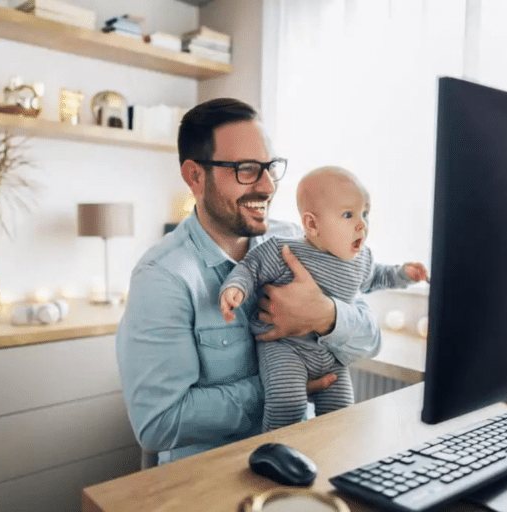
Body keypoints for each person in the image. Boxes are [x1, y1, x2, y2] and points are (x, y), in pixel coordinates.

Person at [116, 98, 383, 464]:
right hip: (210, 478)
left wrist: (325, 315)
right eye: (245, 169)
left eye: (270, 168)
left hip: (301, 458)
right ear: (195, 176)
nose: (268, 186)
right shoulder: (163, 278)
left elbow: (371, 340)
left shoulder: (298, 244)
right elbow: (159, 423)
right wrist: (279, 387)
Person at [220, 166, 429, 431]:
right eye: (348, 214)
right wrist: (235, 287)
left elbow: (377, 278)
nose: (362, 223)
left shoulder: (360, 259)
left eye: (365, 213)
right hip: (286, 348)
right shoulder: (285, 249)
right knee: (289, 404)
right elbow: (251, 267)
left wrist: (404, 274)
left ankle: (333, 459)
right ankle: (276, 453)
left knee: (342, 411)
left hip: (330, 352)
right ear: (312, 224)